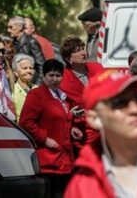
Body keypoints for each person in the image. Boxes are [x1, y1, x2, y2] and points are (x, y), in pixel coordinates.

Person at [19, 59, 83, 198]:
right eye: (51, 75)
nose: (55, 79)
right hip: (49, 158)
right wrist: (44, 138)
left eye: (58, 75)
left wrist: (71, 127)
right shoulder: (36, 95)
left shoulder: (62, 96)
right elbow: (25, 122)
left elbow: (59, 119)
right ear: (44, 76)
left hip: (64, 158)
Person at [59, 37, 103, 147]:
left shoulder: (97, 68)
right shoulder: (62, 81)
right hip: (84, 132)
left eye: (83, 48)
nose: (83, 53)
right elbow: (59, 110)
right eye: (77, 51)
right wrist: (71, 127)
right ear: (68, 58)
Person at [7, 16, 45, 85]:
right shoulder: (12, 43)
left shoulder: (31, 42)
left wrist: (36, 86)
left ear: (20, 27)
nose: (8, 30)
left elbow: (42, 67)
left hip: (30, 85)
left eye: (11, 27)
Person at [11, 53, 37, 122]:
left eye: (31, 68)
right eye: (24, 68)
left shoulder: (38, 89)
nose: (29, 71)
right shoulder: (12, 92)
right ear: (16, 72)